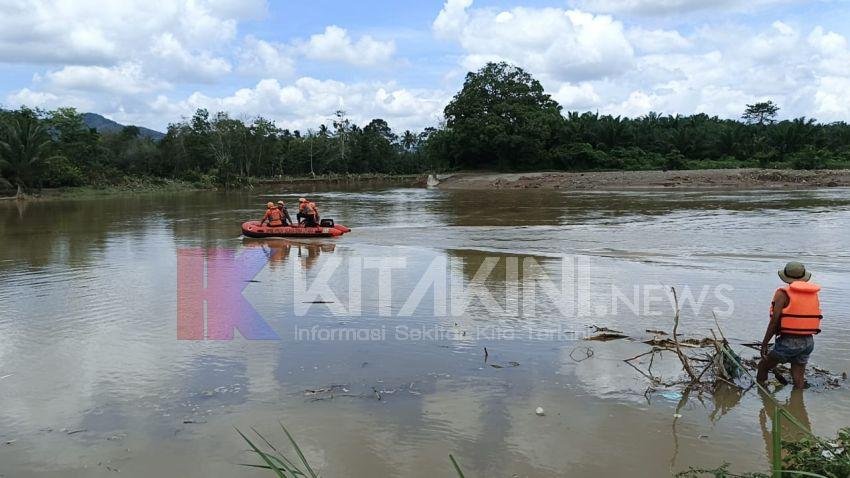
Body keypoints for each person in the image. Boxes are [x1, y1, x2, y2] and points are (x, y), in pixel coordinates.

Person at [756, 261, 822, 389]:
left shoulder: (783, 293)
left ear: (786, 277)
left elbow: (774, 321)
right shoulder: (812, 293)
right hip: (808, 342)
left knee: (763, 366)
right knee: (798, 376)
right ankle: (797, 403)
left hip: (789, 342)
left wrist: (764, 343)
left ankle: (762, 394)